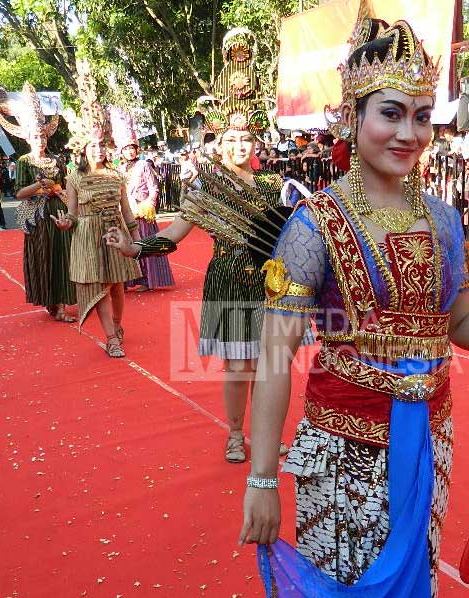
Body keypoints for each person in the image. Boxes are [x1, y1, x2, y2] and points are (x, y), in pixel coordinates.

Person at [237, 10, 469, 598]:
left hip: (427, 448)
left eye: (421, 117)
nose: (408, 133)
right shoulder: (313, 226)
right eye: (391, 113)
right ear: (351, 116)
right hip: (342, 455)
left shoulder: (444, 221)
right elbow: (274, 357)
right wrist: (263, 479)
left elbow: (457, 323)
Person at [107, 28, 296, 463]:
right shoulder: (207, 187)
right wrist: (135, 249)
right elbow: (175, 234)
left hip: (271, 283)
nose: (239, 145)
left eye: (246, 138)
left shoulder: (274, 185)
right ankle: (236, 434)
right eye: (231, 139)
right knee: (239, 366)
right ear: (219, 144)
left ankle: (266, 435)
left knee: (270, 365)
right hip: (228, 279)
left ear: (256, 143)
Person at [52, 128, 142, 357]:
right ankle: (111, 339)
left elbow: (127, 210)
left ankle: (117, 325)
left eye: (102, 145)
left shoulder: (117, 175)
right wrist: (66, 223)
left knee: (118, 285)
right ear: (83, 149)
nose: (98, 149)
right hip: (88, 236)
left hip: (115, 231)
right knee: (100, 288)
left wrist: (138, 241)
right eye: (93, 145)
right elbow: (72, 214)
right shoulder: (74, 178)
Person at [0, 82, 77, 323]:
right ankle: (50, 301)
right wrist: (40, 185)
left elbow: (65, 186)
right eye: (35, 136)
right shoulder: (24, 161)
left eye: (43, 136)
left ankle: (62, 305)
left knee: (63, 256)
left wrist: (57, 190)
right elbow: (20, 193)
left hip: (58, 211)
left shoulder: (58, 160)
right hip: (37, 216)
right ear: (28, 138)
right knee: (43, 258)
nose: (40, 140)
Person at [114, 130, 174, 293]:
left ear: (137, 149)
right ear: (122, 152)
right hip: (126, 211)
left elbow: (154, 188)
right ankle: (128, 280)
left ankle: (148, 280)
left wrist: (148, 205)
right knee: (127, 245)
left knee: (144, 244)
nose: (129, 151)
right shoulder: (120, 169)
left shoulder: (144, 165)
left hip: (142, 211)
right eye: (126, 149)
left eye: (132, 148)